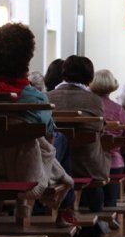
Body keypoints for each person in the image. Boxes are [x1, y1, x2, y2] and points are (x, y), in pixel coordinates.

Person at [0, 23, 75, 226]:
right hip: (26, 172)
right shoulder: (36, 99)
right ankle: (64, 208)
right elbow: (48, 136)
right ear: (26, 59)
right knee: (57, 142)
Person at [48, 56, 111, 212]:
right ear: (90, 76)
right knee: (102, 154)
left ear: (64, 72)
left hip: (54, 164)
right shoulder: (94, 100)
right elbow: (98, 129)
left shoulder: (48, 97)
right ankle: (97, 213)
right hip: (86, 166)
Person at [90, 69, 125, 208]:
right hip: (114, 161)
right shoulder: (119, 109)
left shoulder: (89, 107)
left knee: (92, 203)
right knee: (111, 201)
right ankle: (111, 212)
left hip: (91, 162)